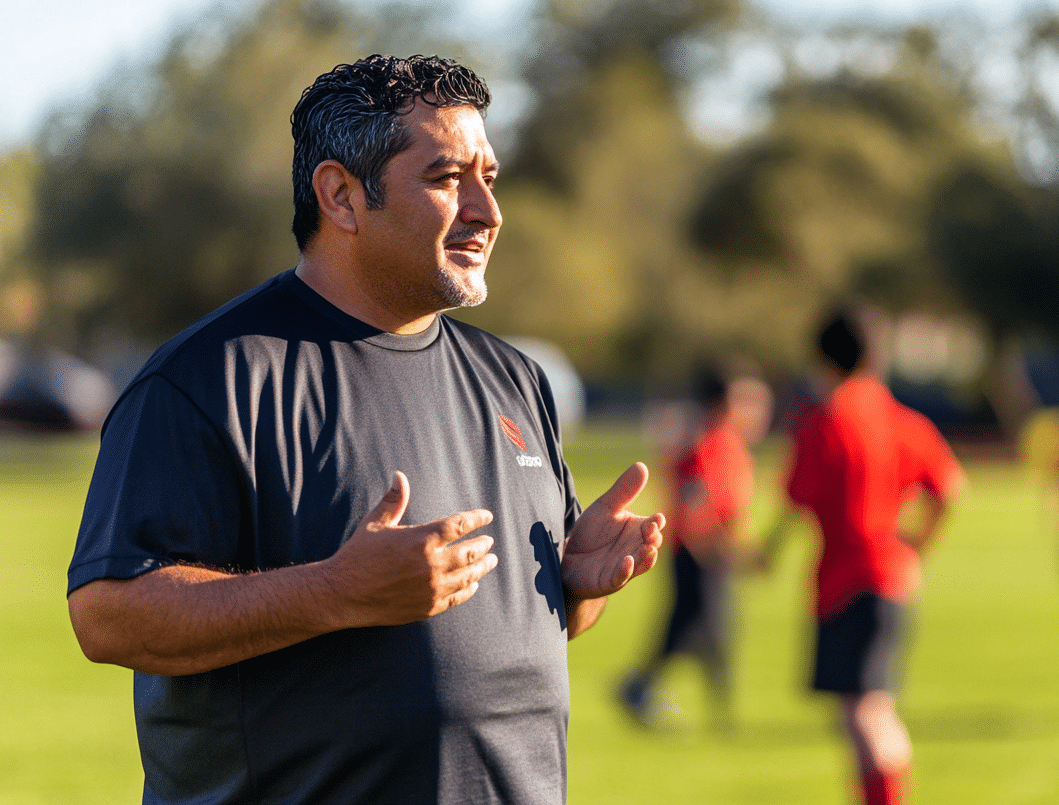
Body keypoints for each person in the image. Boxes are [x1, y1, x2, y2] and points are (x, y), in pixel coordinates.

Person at [65, 54, 665, 805]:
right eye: (448, 179)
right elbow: (109, 616)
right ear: (341, 196)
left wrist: (571, 588)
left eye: (489, 177)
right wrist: (334, 591)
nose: (487, 210)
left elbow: (511, 634)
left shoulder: (515, 379)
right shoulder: (210, 378)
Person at [760, 306, 962, 805]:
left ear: (821, 357)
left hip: (848, 579)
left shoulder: (824, 419)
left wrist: (765, 552)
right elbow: (950, 488)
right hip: (894, 576)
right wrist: (917, 543)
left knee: (862, 713)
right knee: (877, 708)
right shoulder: (901, 418)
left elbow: (795, 500)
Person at [617, 359, 772, 729]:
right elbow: (693, 509)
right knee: (697, 630)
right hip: (697, 555)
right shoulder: (706, 446)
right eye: (744, 401)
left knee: (701, 631)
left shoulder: (730, 446)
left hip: (712, 554)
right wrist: (729, 552)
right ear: (722, 403)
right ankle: (653, 691)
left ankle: (652, 691)